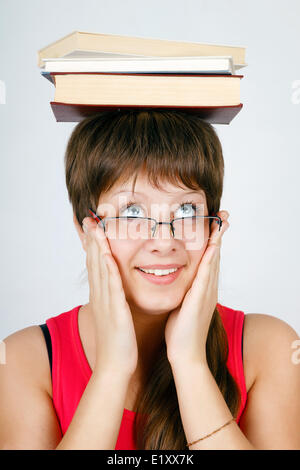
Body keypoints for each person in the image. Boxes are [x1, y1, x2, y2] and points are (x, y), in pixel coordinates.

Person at [0, 110, 299, 450]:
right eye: (132, 212)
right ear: (85, 229)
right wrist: (112, 369)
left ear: (213, 227)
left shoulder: (268, 347)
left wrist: (190, 362)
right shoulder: (25, 359)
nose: (163, 241)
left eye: (186, 210)